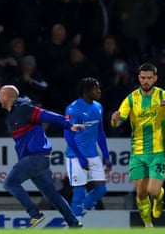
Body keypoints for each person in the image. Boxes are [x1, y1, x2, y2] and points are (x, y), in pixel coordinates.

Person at [0, 85, 84, 228]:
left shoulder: (24, 109)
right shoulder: (11, 115)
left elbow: (47, 115)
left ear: (7, 97)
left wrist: (69, 125)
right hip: (38, 160)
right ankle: (74, 223)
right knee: (52, 196)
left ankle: (35, 214)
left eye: (0, 95)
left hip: (35, 158)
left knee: (10, 183)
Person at [110, 63, 165, 227]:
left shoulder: (162, 95)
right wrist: (114, 119)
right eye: (143, 78)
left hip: (158, 151)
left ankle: (159, 198)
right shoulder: (131, 99)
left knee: (153, 191)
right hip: (137, 152)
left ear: (155, 78)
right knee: (140, 193)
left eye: (149, 78)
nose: (146, 81)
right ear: (139, 78)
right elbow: (117, 123)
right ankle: (148, 225)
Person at [64, 78, 111, 222]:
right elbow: (68, 136)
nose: (99, 91)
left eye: (99, 88)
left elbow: (100, 133)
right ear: (86, 91)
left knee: (101, 190)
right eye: (96, 89)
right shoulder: (73, 109)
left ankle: (79, 211)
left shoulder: (98, 107)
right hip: (75, 156)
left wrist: (106, 155)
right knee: (78, 193)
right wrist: (81, 157)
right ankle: (74, 225)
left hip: (93, 155)